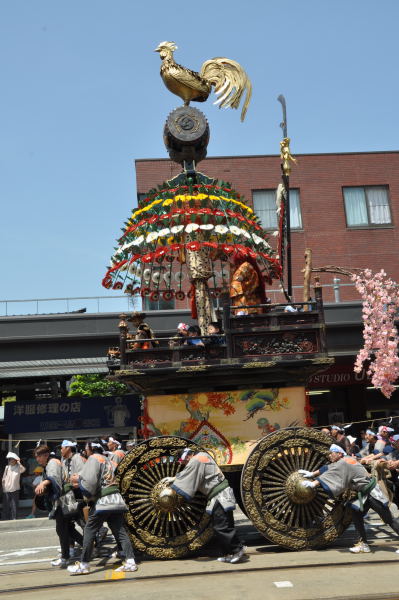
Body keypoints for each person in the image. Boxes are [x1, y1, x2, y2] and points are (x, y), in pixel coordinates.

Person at [299, 443, 399, 554]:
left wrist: (314, 484)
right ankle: (363, 544)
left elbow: (332, 474)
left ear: (339, 453)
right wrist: (312, 473)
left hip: (371, 493)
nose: (329, 456)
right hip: (364, 494)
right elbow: (328, 468)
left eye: (332, 453)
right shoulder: (345, 460)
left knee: (389, 519)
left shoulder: (343, 463)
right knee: (356, 514)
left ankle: (364, 544)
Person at [68, 439, 137, 575]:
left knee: (89, 529)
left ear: (90, 449)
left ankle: (84, 564)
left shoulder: (94, 458)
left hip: (104, 500)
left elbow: (90, 482)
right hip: (116, 499)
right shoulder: (108, 459)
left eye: (86, 448)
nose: (85, 451)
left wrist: (79, 481)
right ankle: (131, 562)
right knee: (120, 531)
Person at [166, 448, 245, 564]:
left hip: (220, 495)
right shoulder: (202, 456)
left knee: (222, 526)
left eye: (184, 462)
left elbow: (188, 474)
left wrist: (173, 484)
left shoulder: (196, 460)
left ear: (188, 456)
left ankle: (237, 549)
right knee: (223, 524)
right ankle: (228, 553)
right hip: (219, 494)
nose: (185, 464)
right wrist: (175, 478)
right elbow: (191, 473)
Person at [34, 445, 75, 568]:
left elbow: (54, 479)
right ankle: (88, 548)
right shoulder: (50, 463)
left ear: (45, 455)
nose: (37, 460)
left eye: (38, 457)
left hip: (63, 501)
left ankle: (65, 557)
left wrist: (43, 483)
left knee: (62, 529)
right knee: (68, 529)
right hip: (62, 500)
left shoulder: (52, 462)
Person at [2, 452, 25, 520]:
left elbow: (23, 470)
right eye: (9, 459)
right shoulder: (7, 467)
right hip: (6, 488)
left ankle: (14, 518)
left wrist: (19, 462)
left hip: (15, 488)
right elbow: (4, 477)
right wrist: (3, 486)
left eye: (12, 459)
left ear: (15, 460)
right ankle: (6, 518)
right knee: (6, 505)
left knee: (14, 505)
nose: (10, 461)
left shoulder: (18, 467)